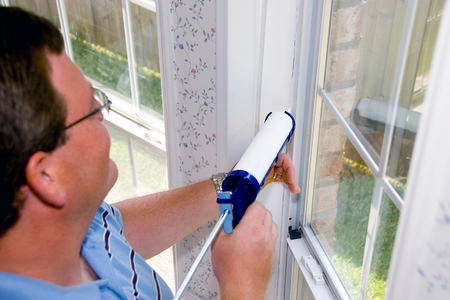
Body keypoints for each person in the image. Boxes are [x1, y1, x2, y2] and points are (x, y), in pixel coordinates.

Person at [0, 7, 301, 300]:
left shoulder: (74, 223)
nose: (102, 114)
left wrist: (231, 184)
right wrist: (243, 287)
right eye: (89, 111)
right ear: (46, 176)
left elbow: (114, 233)